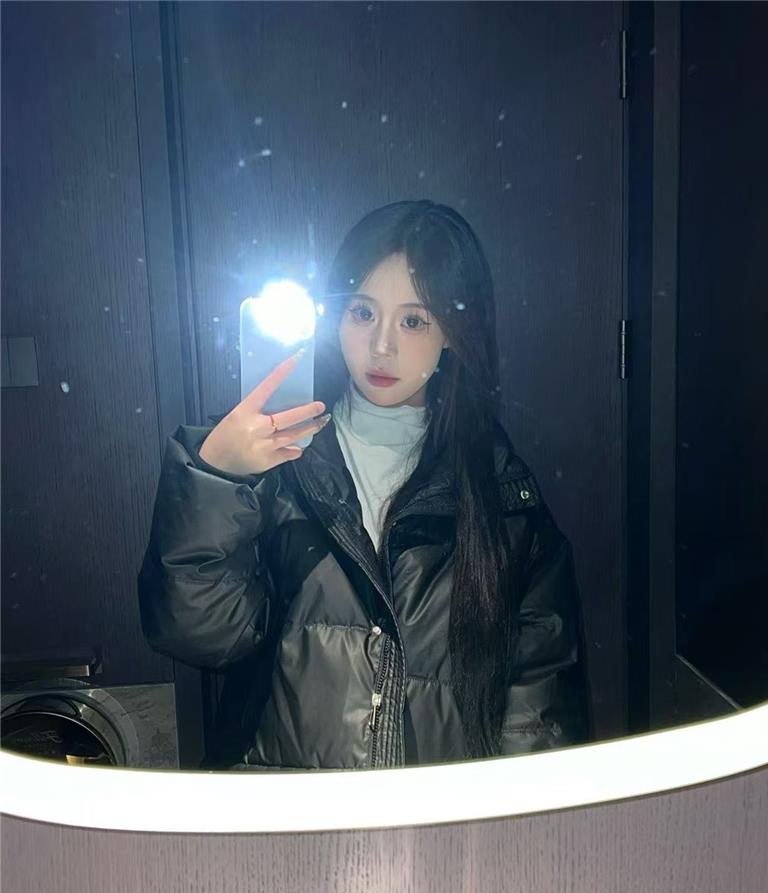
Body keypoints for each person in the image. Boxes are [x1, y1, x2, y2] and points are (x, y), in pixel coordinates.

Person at [137, 199, 593, 770]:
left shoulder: (503, 497)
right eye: (361, 313)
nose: (382, 346)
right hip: (282, 814)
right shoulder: (276, 465)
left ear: (454, 333)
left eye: (413, 321)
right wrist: (218, 478)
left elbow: (538, 720)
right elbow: (199, 636)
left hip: (441, 819)